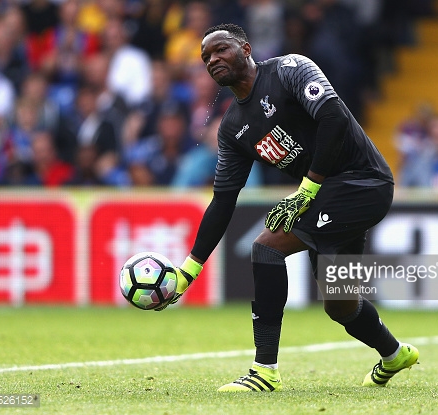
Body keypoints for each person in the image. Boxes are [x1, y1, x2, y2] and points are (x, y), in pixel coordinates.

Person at [153, 23, 419, 392]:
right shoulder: (232, 129)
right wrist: (187, 271)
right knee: (340, 304)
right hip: (329, 194)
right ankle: (395, 355)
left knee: (267, 246)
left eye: (220, 50)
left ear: (246, 49)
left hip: (364, 182)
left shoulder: (290, 69)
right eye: (206, 57)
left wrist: (307, 189)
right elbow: (223, 200)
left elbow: (334, 118)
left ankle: (265, 370)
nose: (213, 59)